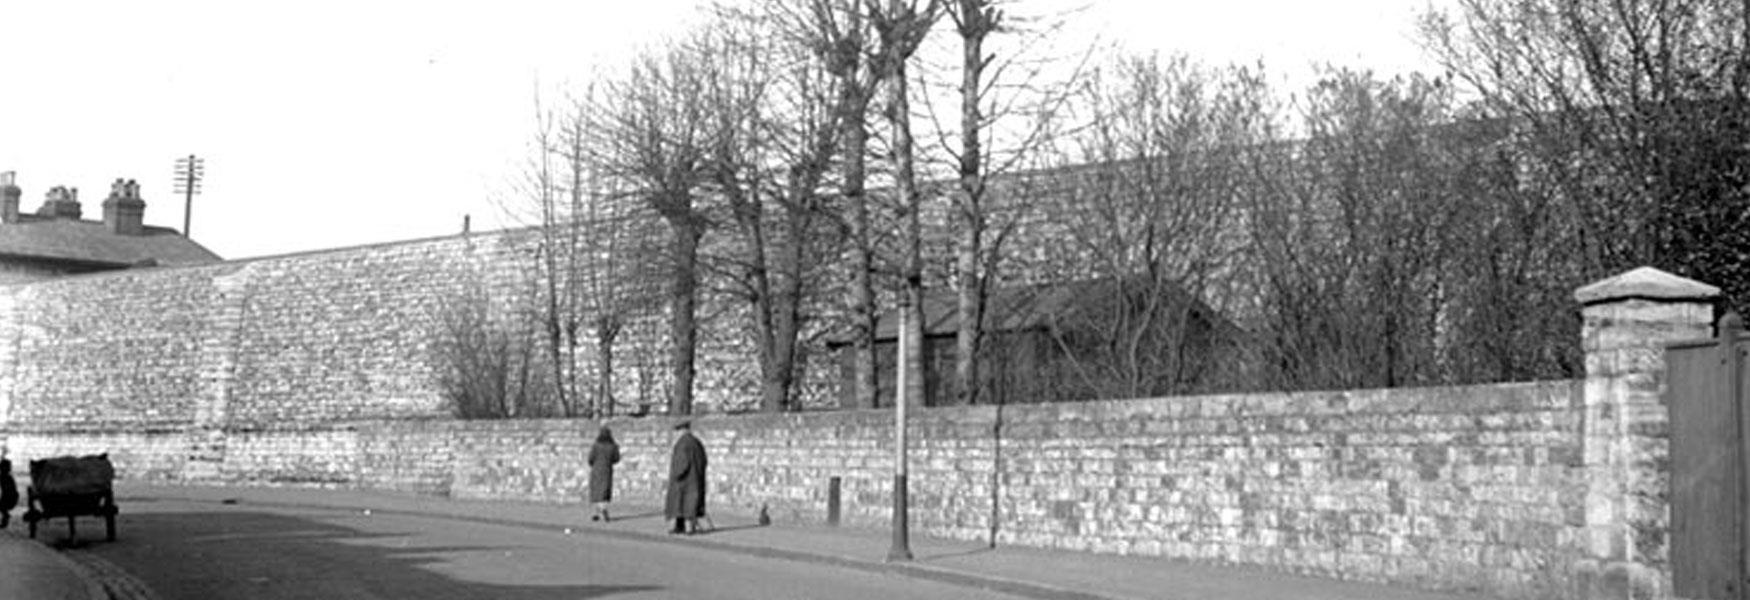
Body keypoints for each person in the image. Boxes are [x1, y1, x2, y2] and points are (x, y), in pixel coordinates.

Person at [664, 420, 708, 535]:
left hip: (683, 482)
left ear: (682, 430)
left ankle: (678, 528)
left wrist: (675, 475)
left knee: (679, 505)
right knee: (691, 506)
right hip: (695, 480)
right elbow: (704, 460)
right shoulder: (697, 442)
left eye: (677, 431)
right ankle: (689, 528)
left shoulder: (682, 444)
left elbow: (681, 464)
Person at [586, 426, 620, 522]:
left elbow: (590, 458)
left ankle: (599, 511)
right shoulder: (613, 446)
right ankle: (600, 511)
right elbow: (617, 458)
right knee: (604, 491)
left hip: (596, 469)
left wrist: (593, 463)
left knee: (596, 491)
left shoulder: (596, 446)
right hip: (607, 469)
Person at [0, 458, 17, 529]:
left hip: (9, 498)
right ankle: (5, 519)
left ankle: (5, 519)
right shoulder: (8, 477)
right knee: (3, 507)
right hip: (10, 498)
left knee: (2, 507)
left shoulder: (4, 477)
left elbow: (9, 490)